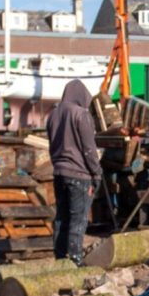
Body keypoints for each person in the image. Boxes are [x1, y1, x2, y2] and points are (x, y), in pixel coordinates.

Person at [46, 79, 102, 264]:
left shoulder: (53, 114)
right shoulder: (81, 114)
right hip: (80, 174)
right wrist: (96, 172)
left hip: (59, 172)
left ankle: (60, 258)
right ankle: (75, 260)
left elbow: (52, 144)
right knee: (78, 220)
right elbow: (89, 148)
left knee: (61, 217)